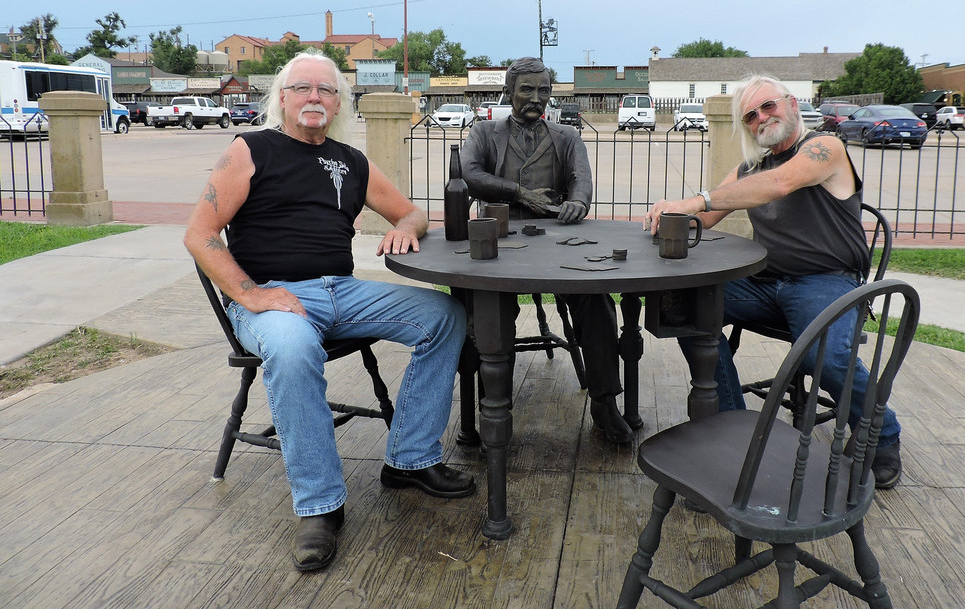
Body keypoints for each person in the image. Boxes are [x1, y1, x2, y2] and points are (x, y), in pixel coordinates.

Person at [184, 51, 474, 573]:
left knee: (444, 316)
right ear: (283, 96)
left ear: (339, 102)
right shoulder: (250, 149)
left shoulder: (349, 160)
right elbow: (199, 235)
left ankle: (410, 458)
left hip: (342, 289)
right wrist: (249, 295)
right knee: (294, 349)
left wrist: (406, 228)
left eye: (326, 90)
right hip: (274, 297)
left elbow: (409, 209)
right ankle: (321, 505)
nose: (314, 97)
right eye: (303, 88)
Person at [644, 75, 903, 489]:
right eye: (751, 115)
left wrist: (697, 200)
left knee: (827, 356)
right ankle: (730, 423)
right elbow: (706, 216)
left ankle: (882, 434)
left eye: (768, 106)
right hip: (764, 281)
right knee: (682, 306)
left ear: (793, 104)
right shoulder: (750, 168)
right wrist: (670, 215)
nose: (762, 118)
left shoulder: (825, 147)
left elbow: (778, 185)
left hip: (826, 280)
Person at [460, 57, 633, 444]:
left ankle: (605, 401)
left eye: (543, 90)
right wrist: (519, 194)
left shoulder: (566, 137)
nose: (536, 98)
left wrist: (578, 203)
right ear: (508, 91)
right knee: (485, 305)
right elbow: (469, 175)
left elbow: (581, 181)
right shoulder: (485, 132)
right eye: (527, 89)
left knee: (597, 299)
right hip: (501, 244)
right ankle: (491, 404)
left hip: (559, 244)